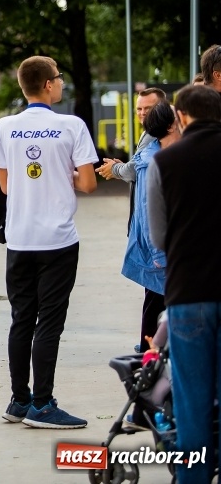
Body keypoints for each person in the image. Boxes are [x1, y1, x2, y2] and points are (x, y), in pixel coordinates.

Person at [0, 56, 97, 429]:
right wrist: (64, 174)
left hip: (19, 238)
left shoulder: (4, 127)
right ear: (49, 84)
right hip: (57, 240)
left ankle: (19, 400)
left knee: (21, 319)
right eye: (59, 78)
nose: (62, 83)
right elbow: (88, 184)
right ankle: (43, 404)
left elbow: (5, 185)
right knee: (49, 322)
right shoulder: (71, 125)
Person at [147, 84, 221, 484]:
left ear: (181, 116)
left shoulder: (164, 162)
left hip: (188, 293)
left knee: (192, 401)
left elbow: (159, 237)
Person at [119, 101, 180, 352]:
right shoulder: (152, 162)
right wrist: (159, 256)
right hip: (160, 257)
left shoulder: (165, 156)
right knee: (157, 311)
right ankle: (149, 364)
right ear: (171, 126)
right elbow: (147, 213)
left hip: (166, 253)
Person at [95, 87, 166, 182]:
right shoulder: (152, 131)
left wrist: (114, 168)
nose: (142, 113)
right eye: (139, 109)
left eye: (148, 108)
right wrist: (122, 168)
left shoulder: (154, 133)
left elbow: (132, 171)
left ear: (162, 108)